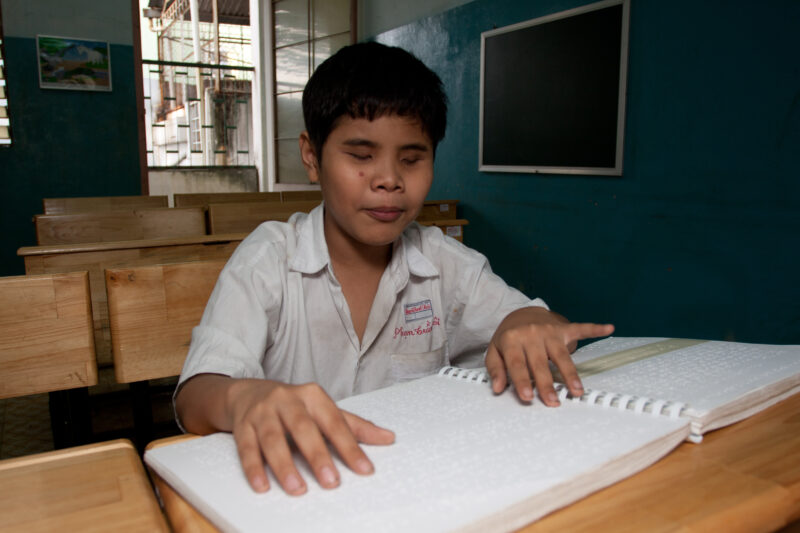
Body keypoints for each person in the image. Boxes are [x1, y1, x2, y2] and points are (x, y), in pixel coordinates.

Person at [175, 42, 613, 497]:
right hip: (300, 489)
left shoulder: (443, 262)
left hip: (416, 488)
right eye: (361, 156)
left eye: (411, 159)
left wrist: (528, 322)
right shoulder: (269, 260)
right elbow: (195, 397)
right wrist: (242, 397)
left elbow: (545, 327)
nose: (389, 179)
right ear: (311, 156)